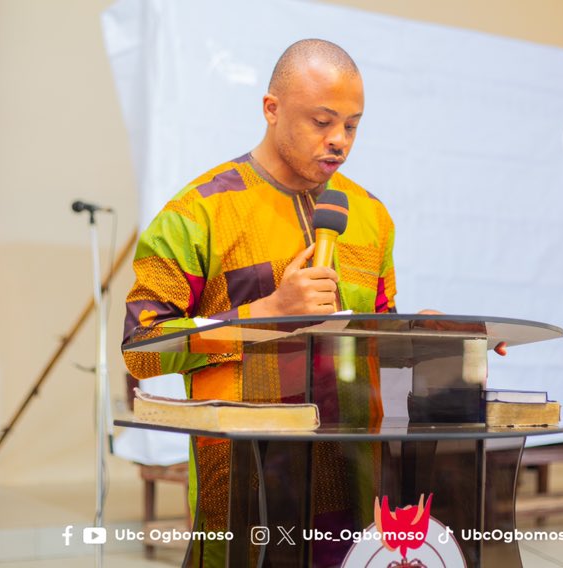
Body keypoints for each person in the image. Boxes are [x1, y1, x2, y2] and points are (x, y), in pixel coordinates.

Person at [123, 39, 395, 564]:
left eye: (352, 125)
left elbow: (378, 334)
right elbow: (142, 349)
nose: (339, 141)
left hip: (355, 480)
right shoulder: (199, 213)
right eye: (322, 122)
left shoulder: (370, 216)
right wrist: (266, 312)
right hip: (245, 482)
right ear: (272, 109)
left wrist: (434, 336)